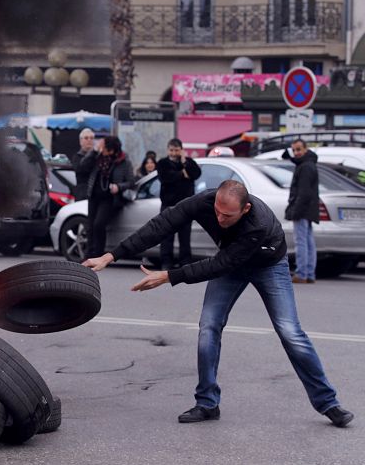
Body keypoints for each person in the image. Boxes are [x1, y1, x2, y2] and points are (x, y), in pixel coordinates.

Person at [83, 180, 354, 428]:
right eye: (217, 212)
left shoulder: (256, 224)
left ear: (245, 209)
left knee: (290, 332)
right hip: (230, 260)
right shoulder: (205, 202)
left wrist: (169, 276)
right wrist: (111, 256)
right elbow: (162, 224)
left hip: (268, 265)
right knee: (208, 326)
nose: (219, 218)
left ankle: (328, 403)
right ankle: (207, 403)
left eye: (228, 216)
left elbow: (220, 264)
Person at [84, 135, 134, 257]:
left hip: (110, 199)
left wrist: (119, 187)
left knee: (98, 224)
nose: (103, 149)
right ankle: (88, 254)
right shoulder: (97, 157)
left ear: (112, 150)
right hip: (94, 196)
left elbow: (131, 182)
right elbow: (83, 166)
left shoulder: (124, 161)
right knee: (90, 225)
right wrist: (94, 151)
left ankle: (98, 254)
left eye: (105, 147)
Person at [156, 138, 201, 270]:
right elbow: (166, 178)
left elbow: (196, 174)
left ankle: (185, 261)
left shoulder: (188, 162)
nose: (174, 153)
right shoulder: (162, 163)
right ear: (167, 150)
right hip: (168, 204)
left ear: (181, 150)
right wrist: (182, 173)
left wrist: (184, 162)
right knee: (166, 235)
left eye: (177, 150)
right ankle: (166, 262)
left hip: (185, 205)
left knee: (185, 235)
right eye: (171, 150)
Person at [283, 138, 319, 284]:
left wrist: (295, 210)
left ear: (305, 149)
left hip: (303, 209)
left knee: (301, 241)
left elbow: (303, 192)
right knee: (308, 241)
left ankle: (302, 273)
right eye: (294, 150)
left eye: (299, 149)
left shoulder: (305, 167)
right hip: (309, 209)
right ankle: (309, 273)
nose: (296, 152)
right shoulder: (308, 164)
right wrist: (289, 157)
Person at [70, 128, 97, 201]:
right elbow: (81, 169)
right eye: (86, 138)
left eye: (91, 138)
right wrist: (92, 155)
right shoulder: (77, 157)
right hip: (83, 194)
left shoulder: (98, 156)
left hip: (96, 193)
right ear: (81, 141)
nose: (89, 140)